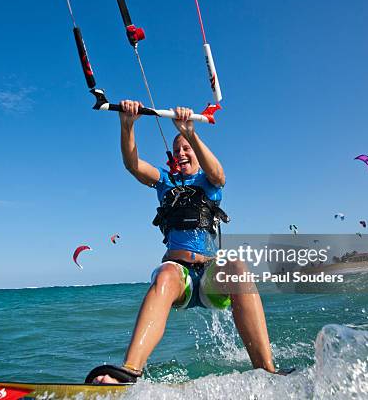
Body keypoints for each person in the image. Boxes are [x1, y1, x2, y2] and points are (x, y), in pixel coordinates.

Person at [85, 100, 276, 384]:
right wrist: (127, 126)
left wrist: (189, 133)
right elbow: (133, 164)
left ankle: (266, 370)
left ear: (196, 153)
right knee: (164, 275)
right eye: (177, 150)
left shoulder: (209, 182)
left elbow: (219, 174)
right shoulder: (164, 181)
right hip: (180, 277)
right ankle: (129, 372)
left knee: (237, 266)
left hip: (211, 279)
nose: (181, 153)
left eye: (185, 149)